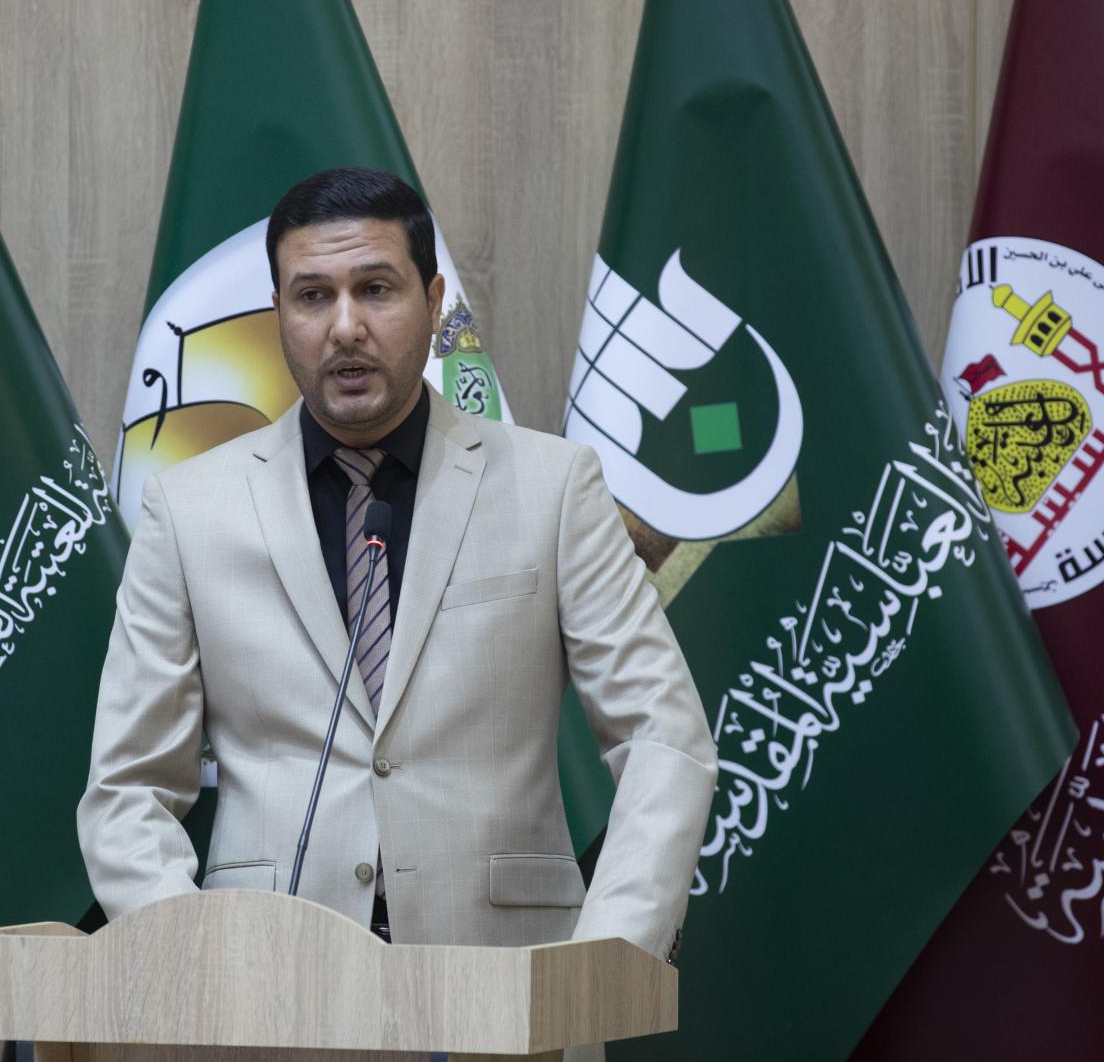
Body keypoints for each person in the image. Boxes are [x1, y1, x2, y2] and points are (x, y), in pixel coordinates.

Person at [78, 166, 716, 977]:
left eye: (375, 289)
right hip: (269, 991)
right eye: (313, 296)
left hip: (509, 988)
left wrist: (606, 961)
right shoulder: (190, 508)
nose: (345, 327)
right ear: (278, 313)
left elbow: (664, 737)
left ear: (433, 299)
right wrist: (197, 969)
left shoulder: (554, 488)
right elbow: (128, 788)